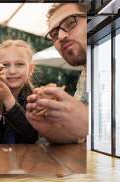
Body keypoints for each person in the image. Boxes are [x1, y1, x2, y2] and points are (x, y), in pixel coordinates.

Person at [26, 3, 88, 144]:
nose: (60, 36)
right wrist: (49, 129)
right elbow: (80, 134)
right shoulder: (86, 73)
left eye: (70, 23)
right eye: (54, 34)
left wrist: (89, 123)